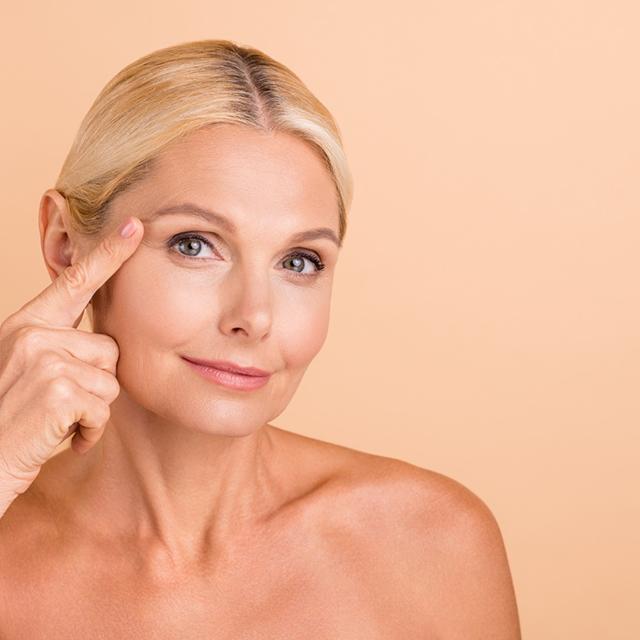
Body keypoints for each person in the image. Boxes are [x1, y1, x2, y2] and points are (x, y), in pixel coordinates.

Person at [0, 39, 521, 637]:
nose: (254, 316)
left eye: (299, 261)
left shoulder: (431, 543)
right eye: (194, 244)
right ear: (66, 244)